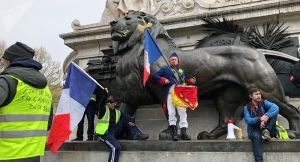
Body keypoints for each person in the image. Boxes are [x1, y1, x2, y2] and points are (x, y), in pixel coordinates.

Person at [0, 42, 52, 162]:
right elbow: (48, 124)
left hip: (5, 154)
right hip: (33, 155)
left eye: (3, 63)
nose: (3, 66)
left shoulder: (6, 81)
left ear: (9, 61)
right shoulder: (45, 89)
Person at [96, 88, 149, 162]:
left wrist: (132, 119)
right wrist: (105, 95)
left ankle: (137, 134)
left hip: (114, 131)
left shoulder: (118, 112)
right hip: (105, 133)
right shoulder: (104, 110)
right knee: (116, 147)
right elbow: (101, 105)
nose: (109, 103)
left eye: (111, 102)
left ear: (115, 103)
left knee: (126, 117)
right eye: (108, 102)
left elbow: (126, 117)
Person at [153, 52, 196, 141]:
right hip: (170, 95)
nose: (174, 60)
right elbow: (155, 76)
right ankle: (174, 133)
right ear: (169, 61)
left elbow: (184, 81)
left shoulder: (181, 71)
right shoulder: (165, 69)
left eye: (175, 59)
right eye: (172, 59)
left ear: (177, 61)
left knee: (182, 113)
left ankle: (184, 133)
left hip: (180, 95)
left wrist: (190, 81)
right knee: (171, 113)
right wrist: (162, 79)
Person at [243, 87, 279, 162]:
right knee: (256, 137)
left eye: (259, 94)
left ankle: (266, 131)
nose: (259, 96)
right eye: (256, 94)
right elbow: (248, 120)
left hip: (268, 128)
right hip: (255, 129)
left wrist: (266, 117)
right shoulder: (247, 107)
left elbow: (276, 108)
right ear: (250, 96)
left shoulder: (264, 103)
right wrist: (259, 119)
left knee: (273, 114)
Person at [71, 69, 99, 141]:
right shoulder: (79, 81)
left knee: (90, 121)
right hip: (81, 104)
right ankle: (79, 136)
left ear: (88, 74)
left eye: (85, 73)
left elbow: (95, 89)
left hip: (90, 104)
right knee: (80, 121)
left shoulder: (92, 81)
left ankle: (90, 137)